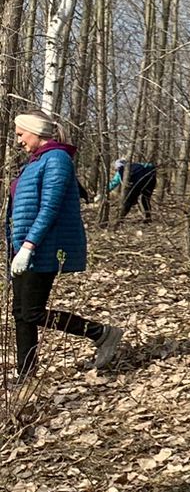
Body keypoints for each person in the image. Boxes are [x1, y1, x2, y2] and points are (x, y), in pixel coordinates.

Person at [9, 111, 122, 380]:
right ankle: (26, 376)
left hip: (43, 247)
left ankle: (101, 333)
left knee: (33, 312)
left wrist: (28, 246)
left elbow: (50, 207)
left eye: (20, 134)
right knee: (21, 313)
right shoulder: (36, 162)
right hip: (24, 246)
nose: (18, 141)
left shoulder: (57, 159)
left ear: (36, 131)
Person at [108, 158, 157, 227]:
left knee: (128, 201)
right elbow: (151, 166)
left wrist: (106, 190)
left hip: (135, 185)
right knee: (145, 199)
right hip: (150, 180)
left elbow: (113, 183)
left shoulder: (120, 172)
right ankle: (148, 217)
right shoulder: (138, 165)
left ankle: (120, 219)